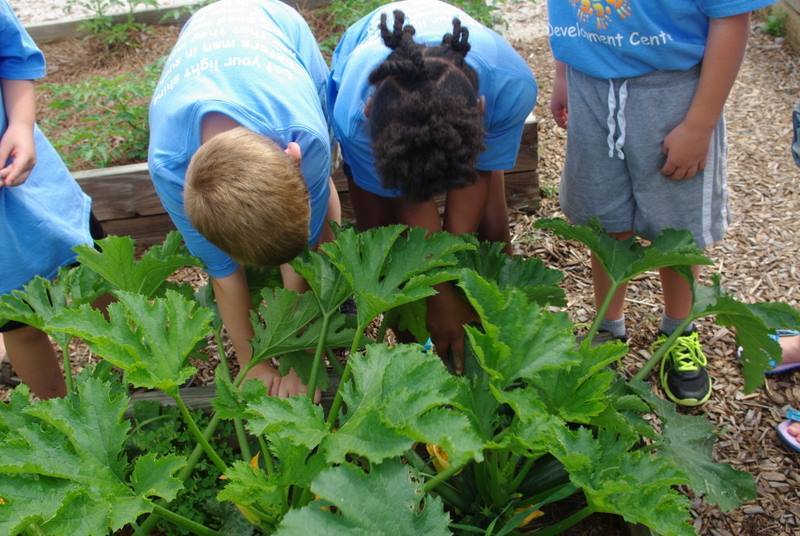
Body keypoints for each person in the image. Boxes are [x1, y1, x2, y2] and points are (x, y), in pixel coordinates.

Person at [548, 0, 774, 406]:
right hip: (589, 80)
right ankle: (607, 327)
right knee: (604, 219)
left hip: (673, 90)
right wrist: (562, 72)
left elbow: (730, 16)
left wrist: (700, 124)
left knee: (676, 227)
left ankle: (678, 329)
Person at [328, 0, 537, 373]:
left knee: (491, 229)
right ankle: (414, 347)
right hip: (366, 76)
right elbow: (410, 201)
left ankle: (496, 324)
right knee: (382, 238)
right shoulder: (356, 116)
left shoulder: (511, 85)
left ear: (480, 112)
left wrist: (454, 278)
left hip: (478, 82)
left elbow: (479, 173)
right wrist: (439, 295)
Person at [148, 0, 340, 397]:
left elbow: (301, 256)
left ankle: (335, 282)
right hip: (204, 35)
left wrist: (295, 352)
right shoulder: (170, 171)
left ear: (293, 158)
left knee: (321, 208)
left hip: (277, 25)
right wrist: (253, 363)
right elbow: (223, 274)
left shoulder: (306, 139)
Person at [0, 0, 96, 399]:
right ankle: (61, 415)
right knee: (17, 322)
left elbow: (13, 57)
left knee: (96, 265)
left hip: (29, 176)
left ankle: (140, 372)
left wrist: (21, 125)